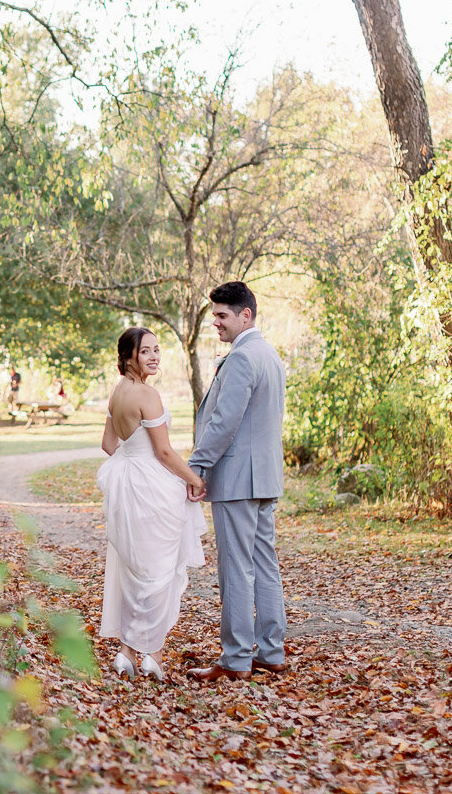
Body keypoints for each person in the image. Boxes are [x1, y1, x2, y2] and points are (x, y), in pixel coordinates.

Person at [186, 281, 290, 682]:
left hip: (237, 480)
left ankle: (234, 659)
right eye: (214, 315)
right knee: (264, 564)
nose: (216, 322)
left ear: (245, 315)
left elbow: (224, 422)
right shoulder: (271, 355)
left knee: (236, 569)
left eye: (222, 315)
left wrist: (197, 467)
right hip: (264, 478)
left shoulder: (244, 357)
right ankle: (271, 651)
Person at [97, 326, 207, 681]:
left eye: (157, 350)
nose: (155, 356)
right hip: (155, 490)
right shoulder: (148, 394)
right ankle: (154, 656)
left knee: (137, 571)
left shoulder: (117, 393)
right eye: (146, 351)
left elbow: (108, 444)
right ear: (129, 356)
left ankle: (127, 653)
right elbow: (162, 451)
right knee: (159, 572)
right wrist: (194, 478)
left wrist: (132, 466)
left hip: (130, 488)